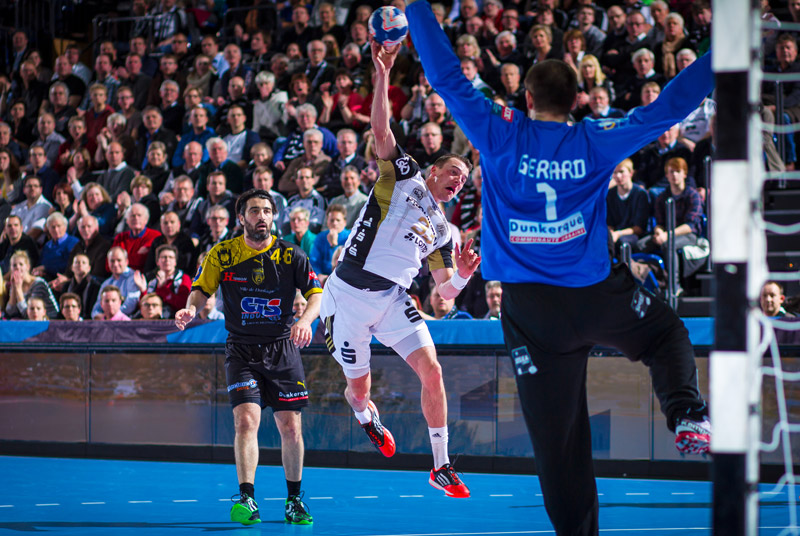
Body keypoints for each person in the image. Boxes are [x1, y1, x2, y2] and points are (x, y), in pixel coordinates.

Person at [407, 2, 712, 534]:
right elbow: (669, 107)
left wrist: (415, 9)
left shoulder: (500, 133)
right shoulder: (594, 139)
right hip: (595, 294)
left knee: (559, 446)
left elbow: (447, 77)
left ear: (527, 99)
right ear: (576, 101)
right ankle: (686, 414)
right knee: (666, 335)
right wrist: (725, 53)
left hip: (531, 311)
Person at [319, 40, 481, 499]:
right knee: (358, 391)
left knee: (433, 371)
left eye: (465, 181)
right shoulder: (404, 175)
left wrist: (463, 274)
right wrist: (383, 71)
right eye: (454, 173)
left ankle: (441, 465)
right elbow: (380, 128)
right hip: (348, 295)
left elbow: (445, 292)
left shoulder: (445, 231)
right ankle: (366, 417)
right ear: (433, 171)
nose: (459, 182)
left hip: (393, 300)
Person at [175, 189, 322, 526]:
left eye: (267, 211)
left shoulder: (292, 255)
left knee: (290, 427)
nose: (262, 217)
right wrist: (190, 309)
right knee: (245, 421)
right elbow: (201, 289)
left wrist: (304, 321)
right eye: (255, 211)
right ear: (241, 217)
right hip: (241, 349)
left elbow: (316, 294)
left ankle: (294, 500)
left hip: (282, 349)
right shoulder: (223, 254)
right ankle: (247, 498)